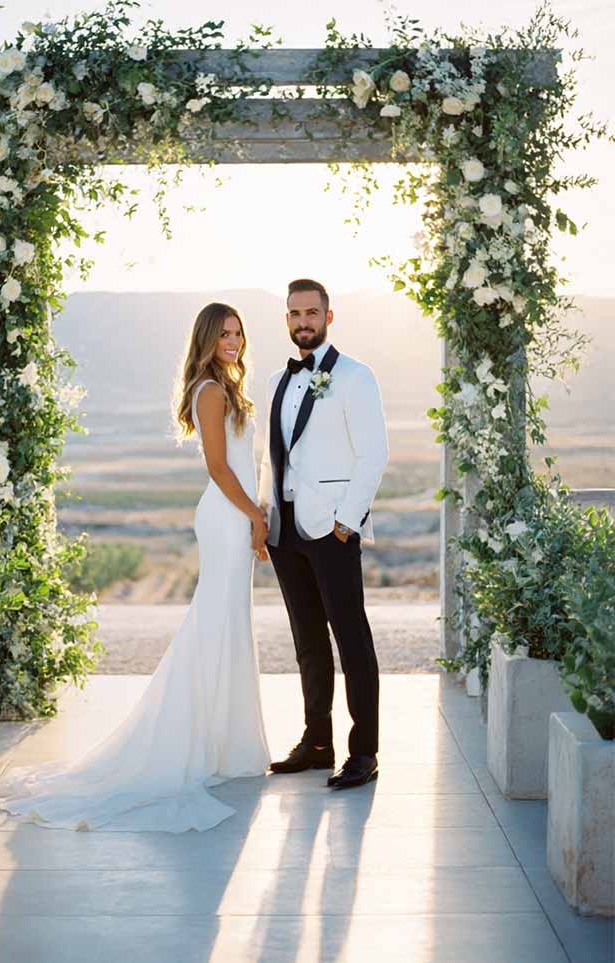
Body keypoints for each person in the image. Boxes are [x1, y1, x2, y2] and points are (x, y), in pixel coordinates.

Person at [0, 302, 271, 832]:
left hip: (237, 517)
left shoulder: (230, 388)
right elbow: (217, 467)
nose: (233, 341)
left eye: (238, 332)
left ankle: (227, 745)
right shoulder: (210, 392)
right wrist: (255, 515)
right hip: (226, 514)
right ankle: (189, 741)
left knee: (230, 624)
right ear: (206, 339)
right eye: (224, 333)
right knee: (212, 624)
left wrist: (258, 516)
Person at [258, 279, 389, 790]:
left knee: (351, 640)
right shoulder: (276, 380)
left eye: (312, 313)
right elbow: (272, 455)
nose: (303, 322)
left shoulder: (356, 376)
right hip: (286, 528)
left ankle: (364, 752)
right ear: (287, 320)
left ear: (328, 317)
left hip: (332, 528)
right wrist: (267, 517)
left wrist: (346, 522)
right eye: (295, 314)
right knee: (308, 642)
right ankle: (317, 744)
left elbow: (373, 454)